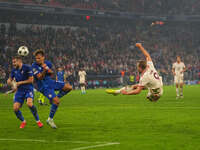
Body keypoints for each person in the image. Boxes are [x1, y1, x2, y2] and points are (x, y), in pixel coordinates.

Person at [32, 49, 72, 129]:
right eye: (36, 58)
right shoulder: (33, 66)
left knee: (69, 87)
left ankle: (53, 99)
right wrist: (44, 70)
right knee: (57, 102)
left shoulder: (48, 63)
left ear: (43, 57)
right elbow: (39, 77)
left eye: (39, 58)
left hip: (50, 82)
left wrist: (47, 68)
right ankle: (50, 119)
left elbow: (51, 73)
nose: (37, 60)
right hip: (43, 86)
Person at [7, 56, 43, 128]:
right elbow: (9, 79)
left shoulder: (27, 67)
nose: (13, 64)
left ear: (19, 61)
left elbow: (31, 80)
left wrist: (20, 83)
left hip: (28, 89)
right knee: (15, 108)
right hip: (19, 91)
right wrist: (10, 82)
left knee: (29, 104)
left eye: (14, 62)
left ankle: (38, 121)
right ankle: (23, 121)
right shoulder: (14, 70)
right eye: (13, 62)